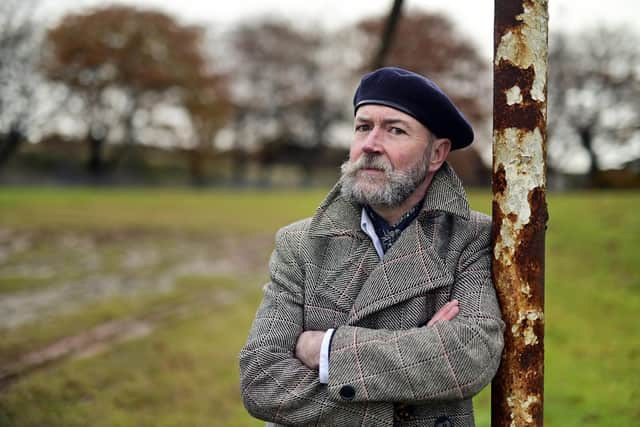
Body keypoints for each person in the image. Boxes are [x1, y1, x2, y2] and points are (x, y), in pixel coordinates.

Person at [239, 66, 504, 427]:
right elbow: (263, 380)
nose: (370, 144)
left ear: (437, 153)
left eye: (395, 130)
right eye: (363, 127)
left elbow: (469, 356)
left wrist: (327, 351)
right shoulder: (300, 244)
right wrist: (419, 357)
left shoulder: (470, 237)